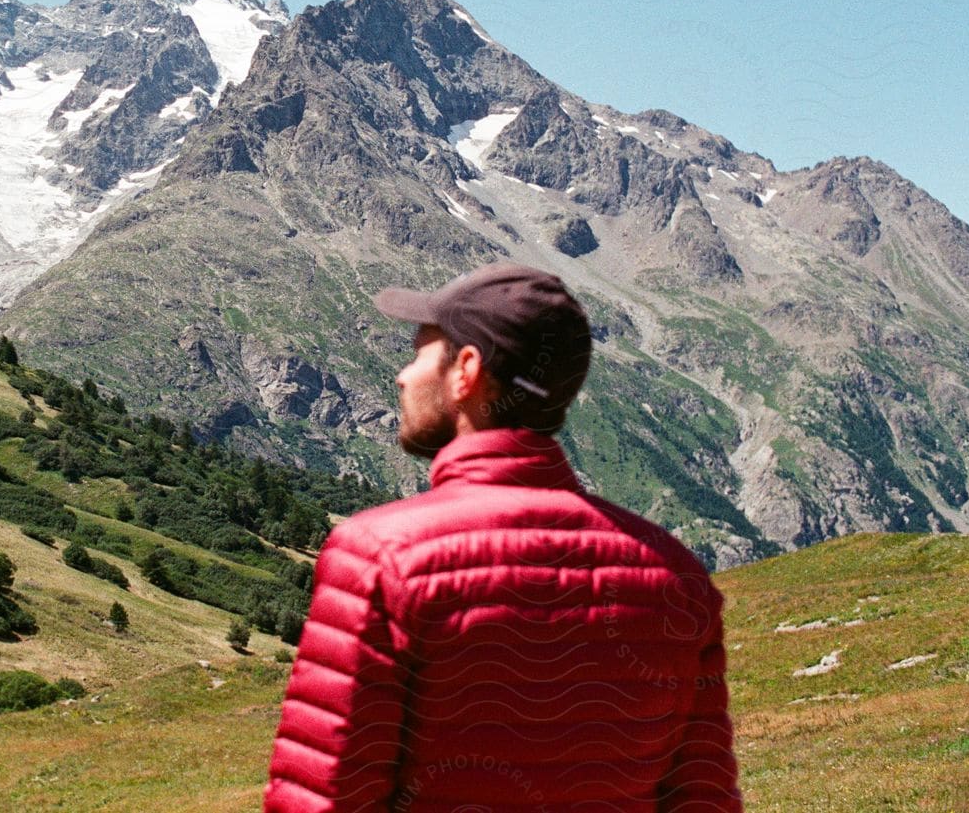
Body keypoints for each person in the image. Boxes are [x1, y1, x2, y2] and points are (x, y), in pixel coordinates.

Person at [265, 262, 742, 812]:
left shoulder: (380, 556)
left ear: (465, 370)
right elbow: (702, 798)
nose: (402, 375)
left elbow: (324, 797)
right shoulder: (675, 574)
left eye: (420, 351)